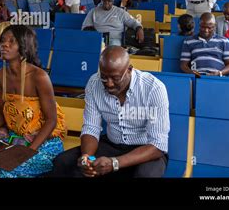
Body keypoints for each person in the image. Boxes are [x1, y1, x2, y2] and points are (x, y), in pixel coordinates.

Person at [51, 46, 169, 178]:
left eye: (115, 78)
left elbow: (158, 145)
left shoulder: (153, 89)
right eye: (104, 77)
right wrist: (87, 157)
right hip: (111, 145)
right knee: (62, 163)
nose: (109, 84)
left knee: (145, 175)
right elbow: (91, 128)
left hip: (145, 150)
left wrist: (115, 163)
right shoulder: (94, 84)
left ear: (129, 70)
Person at [0, 25, 66, 178]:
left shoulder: (38, 77)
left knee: (7, 170)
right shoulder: (0, 76)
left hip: (43, 142)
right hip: (16, 139)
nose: (4, 44)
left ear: (23, 47)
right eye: (3, 40)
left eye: (11, 41)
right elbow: (1, 114)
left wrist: (28, 151)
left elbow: (51, 121)